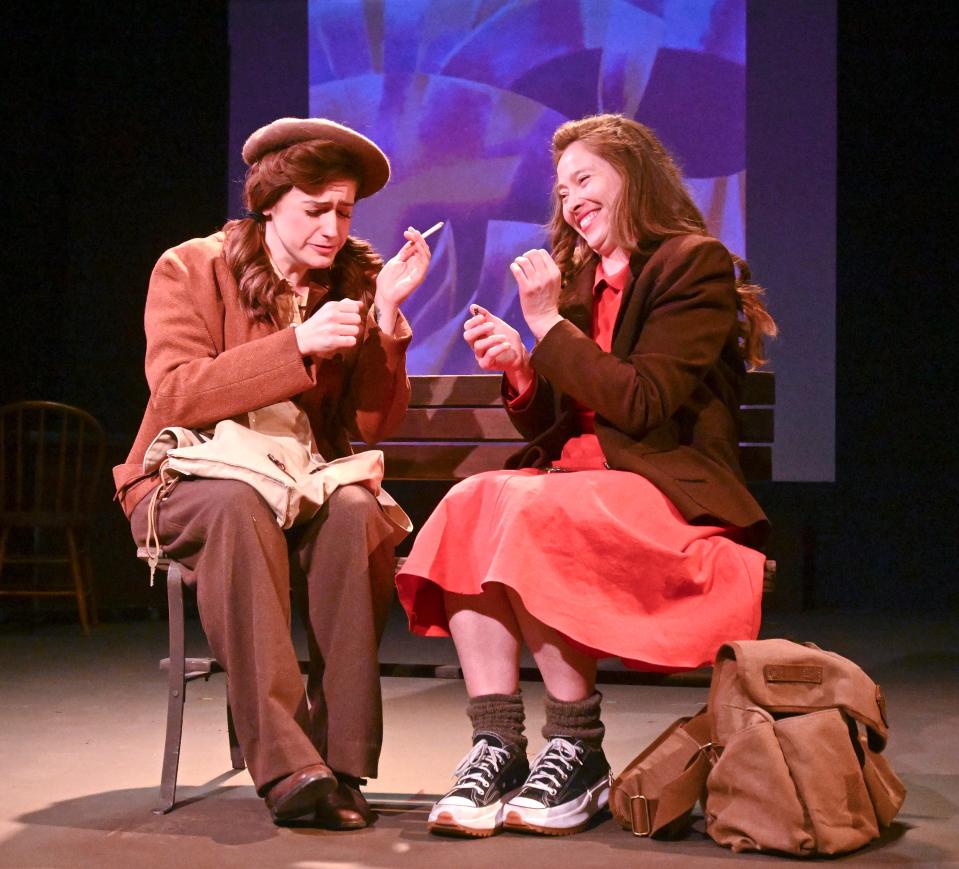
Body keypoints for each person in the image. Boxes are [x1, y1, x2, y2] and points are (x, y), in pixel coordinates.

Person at [395, 113, 777, 838]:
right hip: (581, 480)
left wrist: (546, 327)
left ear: (632, 178)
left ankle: (575, 745)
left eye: (585, 179)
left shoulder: (691, 265)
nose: (569, 199)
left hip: (665, 490)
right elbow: (554, 427)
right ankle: (497, 745)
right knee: (472, 499)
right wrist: (520, 368)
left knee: (541, 511)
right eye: (562, 186)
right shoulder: (577, 282)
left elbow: (640, 402)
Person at [114, 117, 433, 828]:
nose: (331, 227)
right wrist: (296, 344)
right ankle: (289, 766)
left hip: (301, 483)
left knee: (356, 511)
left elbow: (378, 426)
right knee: (236, 506)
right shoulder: (190, 267)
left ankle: (341, 760)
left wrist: (386, 317)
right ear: (269, 201)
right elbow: (176, 392)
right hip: (188, 478)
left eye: (344, 211)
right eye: (315, 209)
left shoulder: (352, 281)